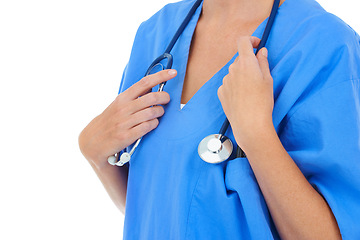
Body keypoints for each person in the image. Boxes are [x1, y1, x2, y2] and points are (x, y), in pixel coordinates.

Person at [78, 0, 360, 239]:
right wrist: (97, 158)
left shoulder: (324, 44)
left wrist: (257, 136)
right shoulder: (156, 33)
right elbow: (162, 208)